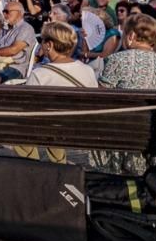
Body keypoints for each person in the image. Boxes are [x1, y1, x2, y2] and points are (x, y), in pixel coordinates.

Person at [86, 13, 156, 174]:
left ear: (131, 36)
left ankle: (117, 171)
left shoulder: (117, 59)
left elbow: (101, 96)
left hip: (127, 128)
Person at [13, 21, 99, 162]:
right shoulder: (87, 70)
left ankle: (31, 164)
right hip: (81, 127)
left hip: (53, 128)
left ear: (49, 45)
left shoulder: (40, 73)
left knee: (24, 124)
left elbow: (28, 109)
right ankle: (58, 161)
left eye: (42, 40)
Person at [0, 2, 35, 81]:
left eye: (7, 12)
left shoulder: (26, 28)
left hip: (15, 67)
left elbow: (13, 50)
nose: (4, 15)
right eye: (3, 12)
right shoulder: (4, 29)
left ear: (19, 13)